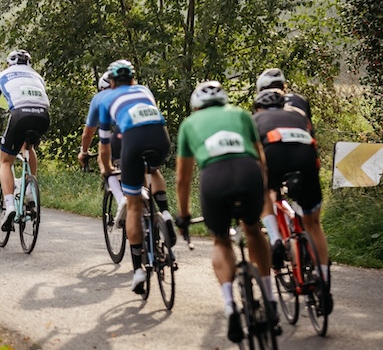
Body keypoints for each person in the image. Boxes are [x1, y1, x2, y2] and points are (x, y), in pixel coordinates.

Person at [174, 81, 279, 342]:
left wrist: (184, 216)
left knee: (221, 240)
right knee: (253, 230)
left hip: (215, 178)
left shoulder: (189, 124)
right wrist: (263, 189)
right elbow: (261, 158)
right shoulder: (241, 114)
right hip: (248, 173)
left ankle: (230, 306)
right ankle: (270, 299)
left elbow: (183, 179)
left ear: (196, 106)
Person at [95, 59, 175, 294]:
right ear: (132, 79)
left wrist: (106, 167)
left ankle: (139, 270)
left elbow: (102, 142)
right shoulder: (143, 90)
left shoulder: (104, 99)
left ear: (110, 83)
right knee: (153, 170)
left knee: (133, 205)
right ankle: (165, 213)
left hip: (126, 140)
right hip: (159, 136)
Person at [252, 87, 331, 312]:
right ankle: (323, 283)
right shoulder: (298, 114)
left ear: (259, 108)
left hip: (274, 155)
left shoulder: (255, 120)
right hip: (305, 157)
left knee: (265, 192)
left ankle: (276, 239)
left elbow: (251, 155)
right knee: (313, 224)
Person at [0, 50, 50, 232]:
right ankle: (30, 191)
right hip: (43, 116)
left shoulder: (3, 75)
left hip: (20, 114)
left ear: (9, 63)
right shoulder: (37, 75)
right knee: (28, 146)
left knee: (5, 161)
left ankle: (10, 205)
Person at [80, 71, 125, 224]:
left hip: (121, 132)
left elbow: (88, 133)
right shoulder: (134, 91)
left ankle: (121, 200)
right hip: (151, 130)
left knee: (103, 158)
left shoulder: (100, 98)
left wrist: (84, 152)